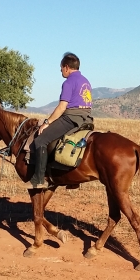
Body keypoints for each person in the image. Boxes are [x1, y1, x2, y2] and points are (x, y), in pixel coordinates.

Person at [29, 52, 93, 189]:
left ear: (66, 67)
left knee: (41, 140)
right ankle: (72, 179)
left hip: (71, 118)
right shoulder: (85, 81)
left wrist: (47, 122)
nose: (60, 70)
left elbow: (62, 107)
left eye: (61, 67)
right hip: (86, 119)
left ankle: (38, 179)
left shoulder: (69, 82)